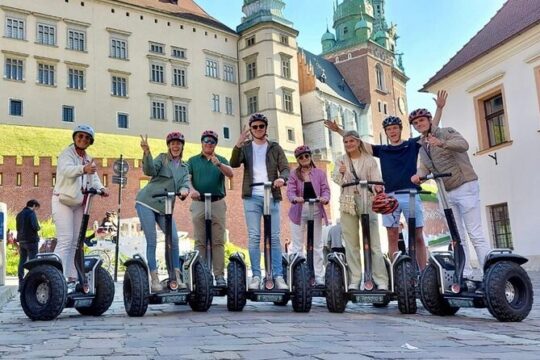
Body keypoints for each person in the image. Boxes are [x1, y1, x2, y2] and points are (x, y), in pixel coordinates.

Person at [325, 91, 447, 270]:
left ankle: (423, 273)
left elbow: (430, 130)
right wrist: (338, 131)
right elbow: (357, 141)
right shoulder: (382, 150)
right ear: (386, 132)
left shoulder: (412, 144)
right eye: (389, 129)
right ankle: (395, 271)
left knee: (418, 235)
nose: (392, 132)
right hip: (390, 196)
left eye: (395, 128)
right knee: (392, 235)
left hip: (411, 194)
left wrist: (439, 108)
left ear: (400, 129)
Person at [409, 104, 492, 279]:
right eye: (415, 123)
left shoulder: (446, 132)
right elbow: (424, 167)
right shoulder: (422, 145)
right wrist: (418, 175)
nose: (419, 124)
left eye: (422, 120)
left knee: (475, 234)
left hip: (465, 185)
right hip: (446, 192)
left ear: (430, 120)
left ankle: (490, 274)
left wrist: (442, 143)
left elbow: (464, 145)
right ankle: (466, 274)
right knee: (457, 236)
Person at [230, 113, 290, 290]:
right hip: (252, 196)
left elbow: (285, 168)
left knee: (275, 237)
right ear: (251, 129)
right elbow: (234, 163)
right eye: (254, 127)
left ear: (265, 128)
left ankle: (278, 276)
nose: (258, 129)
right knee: (255, 236)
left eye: (261, 126)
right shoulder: (246, 147)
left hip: (272, 194)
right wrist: (238, 143)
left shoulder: (275, 147)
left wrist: (282, 180)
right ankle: (256, 275)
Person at [332, 130, 389, 290]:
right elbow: (336, 179)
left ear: (358, 142)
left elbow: (376, 180)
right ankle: (355, 279)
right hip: (347, 202)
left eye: (351, 141)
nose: (349, 144)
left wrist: (377, 187)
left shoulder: (369, 160)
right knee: (351, 243)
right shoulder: (340, 160)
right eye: (346, 142)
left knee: (374, 242)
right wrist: (341, 174)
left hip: (367, 201)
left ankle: (380, 279)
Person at [53, 125, 108, 285]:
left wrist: (101, 188)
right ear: (75, 138)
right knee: (65, 239)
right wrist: (83, 169)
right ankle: (56, 276)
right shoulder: (66, 154)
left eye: (86, 138)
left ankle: (71, 276)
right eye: (80, 136)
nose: (83, 139)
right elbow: (66, 170)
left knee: (76, 240)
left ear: (90, 141)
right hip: (62, 200)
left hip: (78, 202)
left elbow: (94, 177)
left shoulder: (87, 158)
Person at [137, 132, 190, 292]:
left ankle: (176, 276)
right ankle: (154, 279)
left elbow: (186, 183)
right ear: (168, 146)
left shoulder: (184, 167)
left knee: (173, 239)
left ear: (182, 146)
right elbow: (150, 170)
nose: (175, 146)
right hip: (147, 201)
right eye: (172, 143)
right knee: (152, 240)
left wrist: (184, 190)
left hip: (165, 207)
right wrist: (146, 152)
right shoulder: (162, 158)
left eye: (178, 143)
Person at [187, 130, 234, 287]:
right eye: (206, 141)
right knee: (199, 240)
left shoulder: (221, 159)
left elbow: (231, 174)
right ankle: (200, 275)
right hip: (199, 202)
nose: (209, 143)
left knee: (218, 241)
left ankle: (219, 276)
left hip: (217, 202)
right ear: (202, 142)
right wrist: (192, 190)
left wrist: (219, 164)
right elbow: (187, 179)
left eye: (212, 141)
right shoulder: (193, 161)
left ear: (215, 144)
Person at [287, 145, 330, 286]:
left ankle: (318, 276)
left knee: (317, 245)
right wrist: (295, 198)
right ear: (298, 160)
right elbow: (290, 191)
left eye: (306, 156)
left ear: (310, 157)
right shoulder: (294, 174)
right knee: (298, 245)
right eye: (301, 157)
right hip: (298, 212)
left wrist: (324, 197)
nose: (304, 159)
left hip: (316, 210)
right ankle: (299, 276)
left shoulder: (319, 173)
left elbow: (325, 189)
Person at [16, 199, 41, 290]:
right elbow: (35, 226)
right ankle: (31, 283)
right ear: (34, 205)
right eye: (36, 208)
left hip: (22, 241)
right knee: (33, 261)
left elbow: (18, 228)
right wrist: (39, 227)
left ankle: (21, 282)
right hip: (31, 241)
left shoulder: (19, 215)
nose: (36, 210)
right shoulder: (31, 213)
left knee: (22, 261)